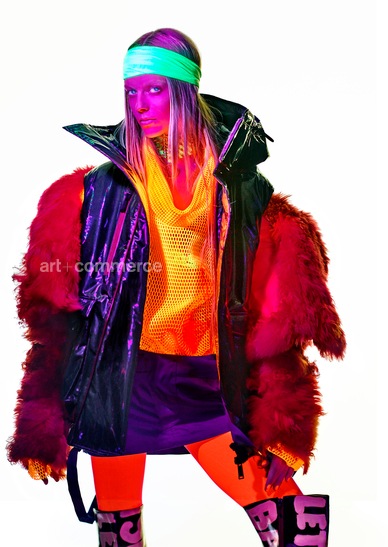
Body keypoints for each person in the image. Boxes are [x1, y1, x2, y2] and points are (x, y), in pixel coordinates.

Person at [7, 28, 345, 547]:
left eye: (155, 89)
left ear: (186, 90)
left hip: (206, 374)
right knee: (118, 526)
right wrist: (44, 415)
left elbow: (275, 311)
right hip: (120, 374)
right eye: (131, 91)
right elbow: (57, 319)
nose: (140, 104)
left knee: (286, 514)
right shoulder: (98, 190)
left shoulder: (240, 188)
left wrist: (285, 415)